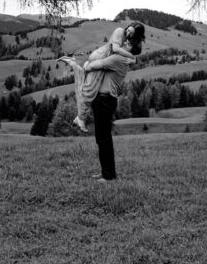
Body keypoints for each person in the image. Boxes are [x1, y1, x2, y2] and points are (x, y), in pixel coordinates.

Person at [59, 21, 146, 182]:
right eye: (125, 41)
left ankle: (109, 176)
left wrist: (86, 64)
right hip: (104, 100)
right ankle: (105, 172)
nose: (124, 43)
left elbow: (91, 67)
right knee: (101, 138)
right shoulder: (121, 58)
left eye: (128, 44)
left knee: (104, 138)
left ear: (130, 49)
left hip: (105, 101)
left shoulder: (118, 59)